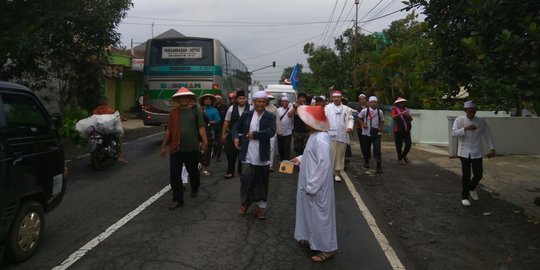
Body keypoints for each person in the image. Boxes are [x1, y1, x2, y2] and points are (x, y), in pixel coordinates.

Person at [292, 105, 337, 263]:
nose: (304, 123)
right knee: (309, 212)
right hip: (310, 183)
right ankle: (309, 237)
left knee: (321, 216)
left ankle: (328, 248)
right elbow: (310, 155)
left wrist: (312, 186)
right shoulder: (314, 135)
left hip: (317, 186)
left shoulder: (321, 139)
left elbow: (324, 165)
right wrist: (300, 158)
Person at [160, 87, 208, 210]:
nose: (184, 99)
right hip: (176, 148)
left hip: (192, 147)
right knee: (175, 175)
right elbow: (169, 130)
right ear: (178, 99)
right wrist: (164, 145)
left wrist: (205, 141)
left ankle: (195, 186)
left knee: (193, 172)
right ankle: (177, 199)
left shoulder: (196, 111)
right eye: (181, 97)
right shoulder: (173, 113)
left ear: (190, 98)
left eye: (186, 97)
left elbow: (201, 127)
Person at [233, 91, 276, 219]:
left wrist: (255, 135)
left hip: (262, 156)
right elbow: (236, 126)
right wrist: (235, 137)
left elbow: (271, 132)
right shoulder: (247, 115)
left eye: (263, 102)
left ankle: (260, 208)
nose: (261, 104)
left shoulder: (270, 116)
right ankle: (245, 203)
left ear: (266, 103)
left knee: (262, 182)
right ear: (254, 102)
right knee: (246, 180)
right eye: (259, 101)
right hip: (247, 155)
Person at [451, 101, 496, 207]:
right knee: (466, 175)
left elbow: (487, 134)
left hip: (476, 151)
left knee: (478, 174)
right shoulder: (459, 120)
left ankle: (471, 187)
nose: (472, 113)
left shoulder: (480, 121)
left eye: (474, 111)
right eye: (469, 111)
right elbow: (453, 133)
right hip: (464, 151)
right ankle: (465, 197)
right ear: (465, 111)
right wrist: (465, 129)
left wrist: (492, 148)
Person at [324, 90, 354, 182]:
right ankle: (328, 173)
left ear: (341, 98)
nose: (336, 99)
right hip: (330, 134)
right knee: (330, 154)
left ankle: (337, 173)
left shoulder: (346, 109)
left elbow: (350, 119)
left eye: (338, 97)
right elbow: (324, 118)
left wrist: (350, 127)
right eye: (335, 97)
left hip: (342, 134)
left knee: (340, 154)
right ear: (332, 98)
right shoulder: (327, 107)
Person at [221, 90, 250, 179]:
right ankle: (230, 171)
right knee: (230, 154)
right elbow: (226, 122)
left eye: (243, 98)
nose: (242, 100)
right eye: (240, 98)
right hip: (232, 134)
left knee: (243, 154)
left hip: (245, 135)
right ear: (236, 100)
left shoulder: (250, 108)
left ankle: (241, 171)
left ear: (246, 99)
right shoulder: (231, 108)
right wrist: (223, 135)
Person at [93, 97, 127, 163]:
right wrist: (123, 118)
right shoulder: (110, 111)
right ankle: (120, 156)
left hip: (97, 131)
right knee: (118, 139)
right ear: (106, 103)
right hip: (107, 131)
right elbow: (117, 118)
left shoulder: (94, 111)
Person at [358, 96, 385, 173]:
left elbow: (382, 121)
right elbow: (359, 117)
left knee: (377, 149)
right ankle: (366, 161)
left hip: (376, 134)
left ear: (377, 103)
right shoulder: (364, 111)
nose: (373, 103)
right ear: (369, 103)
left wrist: (380, 127)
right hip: (366, 133)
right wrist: (363, 124)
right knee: (366, 149)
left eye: (375, 102)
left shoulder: (380, 112)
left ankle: (378, 166)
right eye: (372, 102)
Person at [198, 94, 221, 175]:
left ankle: (205, 167)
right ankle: (199, 162)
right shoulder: (198, 109)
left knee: (207, 148)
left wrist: (210, 122)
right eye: (206, 99)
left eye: (209, 100)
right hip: (197, 131)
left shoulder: (214, 110)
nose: (208, 101)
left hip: (209, 131)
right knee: (198, 148)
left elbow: (218, 120)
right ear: (203, 101)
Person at [391, 97, 413, 165]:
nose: (402, 104)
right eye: (400, 103)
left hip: (406, 130)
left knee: (408, 143)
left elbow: (411, 119)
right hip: (398, 130)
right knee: (399, 145)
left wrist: (408, 115)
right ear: (397, 103)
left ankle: (404, 155)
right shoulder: (395, 109)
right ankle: (400, 159)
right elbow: (393, 117)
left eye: (403, 102)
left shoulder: (406, 109)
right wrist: (401, 114)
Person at [265, 93, 282, 171]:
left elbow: (277, 120)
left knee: (271, 148)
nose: (266, 101)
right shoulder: (257, 108)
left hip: (271, 131)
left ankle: (270, 165)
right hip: (260, 131)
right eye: (265, 99)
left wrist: (279, 131)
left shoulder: (274, 108)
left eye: (268, 99)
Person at [277, 96, 295, 161]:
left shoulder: (291, 109)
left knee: (287, 147)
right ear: (281, 102)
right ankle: (281, 159)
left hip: (288, 132)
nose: (284, 102)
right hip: (280, 131)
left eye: (286, 101)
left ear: (288, 102)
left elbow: (291, 117)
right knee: (280, 147)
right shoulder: (278, 110)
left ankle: (287, 160)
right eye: (283, 101)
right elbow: (276, 121)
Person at [213, 94, 227, 162]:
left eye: (219, 99)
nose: (217, 100)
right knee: (213, 142)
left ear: (221, 100)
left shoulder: (224, 107)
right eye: (216, 99)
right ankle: (214, 152)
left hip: (221, 127)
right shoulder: (213, 107)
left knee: (219, 142)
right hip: (213, 127)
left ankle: (218, 156)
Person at [355, 94, 369, 160]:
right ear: (359, 100)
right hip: (359, 127)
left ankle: (367, 152)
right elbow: (356, 117)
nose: (362, 100)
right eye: (361, 99)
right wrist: (361, 124)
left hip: (368, 127)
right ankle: (364, 153)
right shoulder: (357, 108)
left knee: (367, 140)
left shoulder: (369, 108)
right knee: (362, 140)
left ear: (366, 100)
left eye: (363, 99)